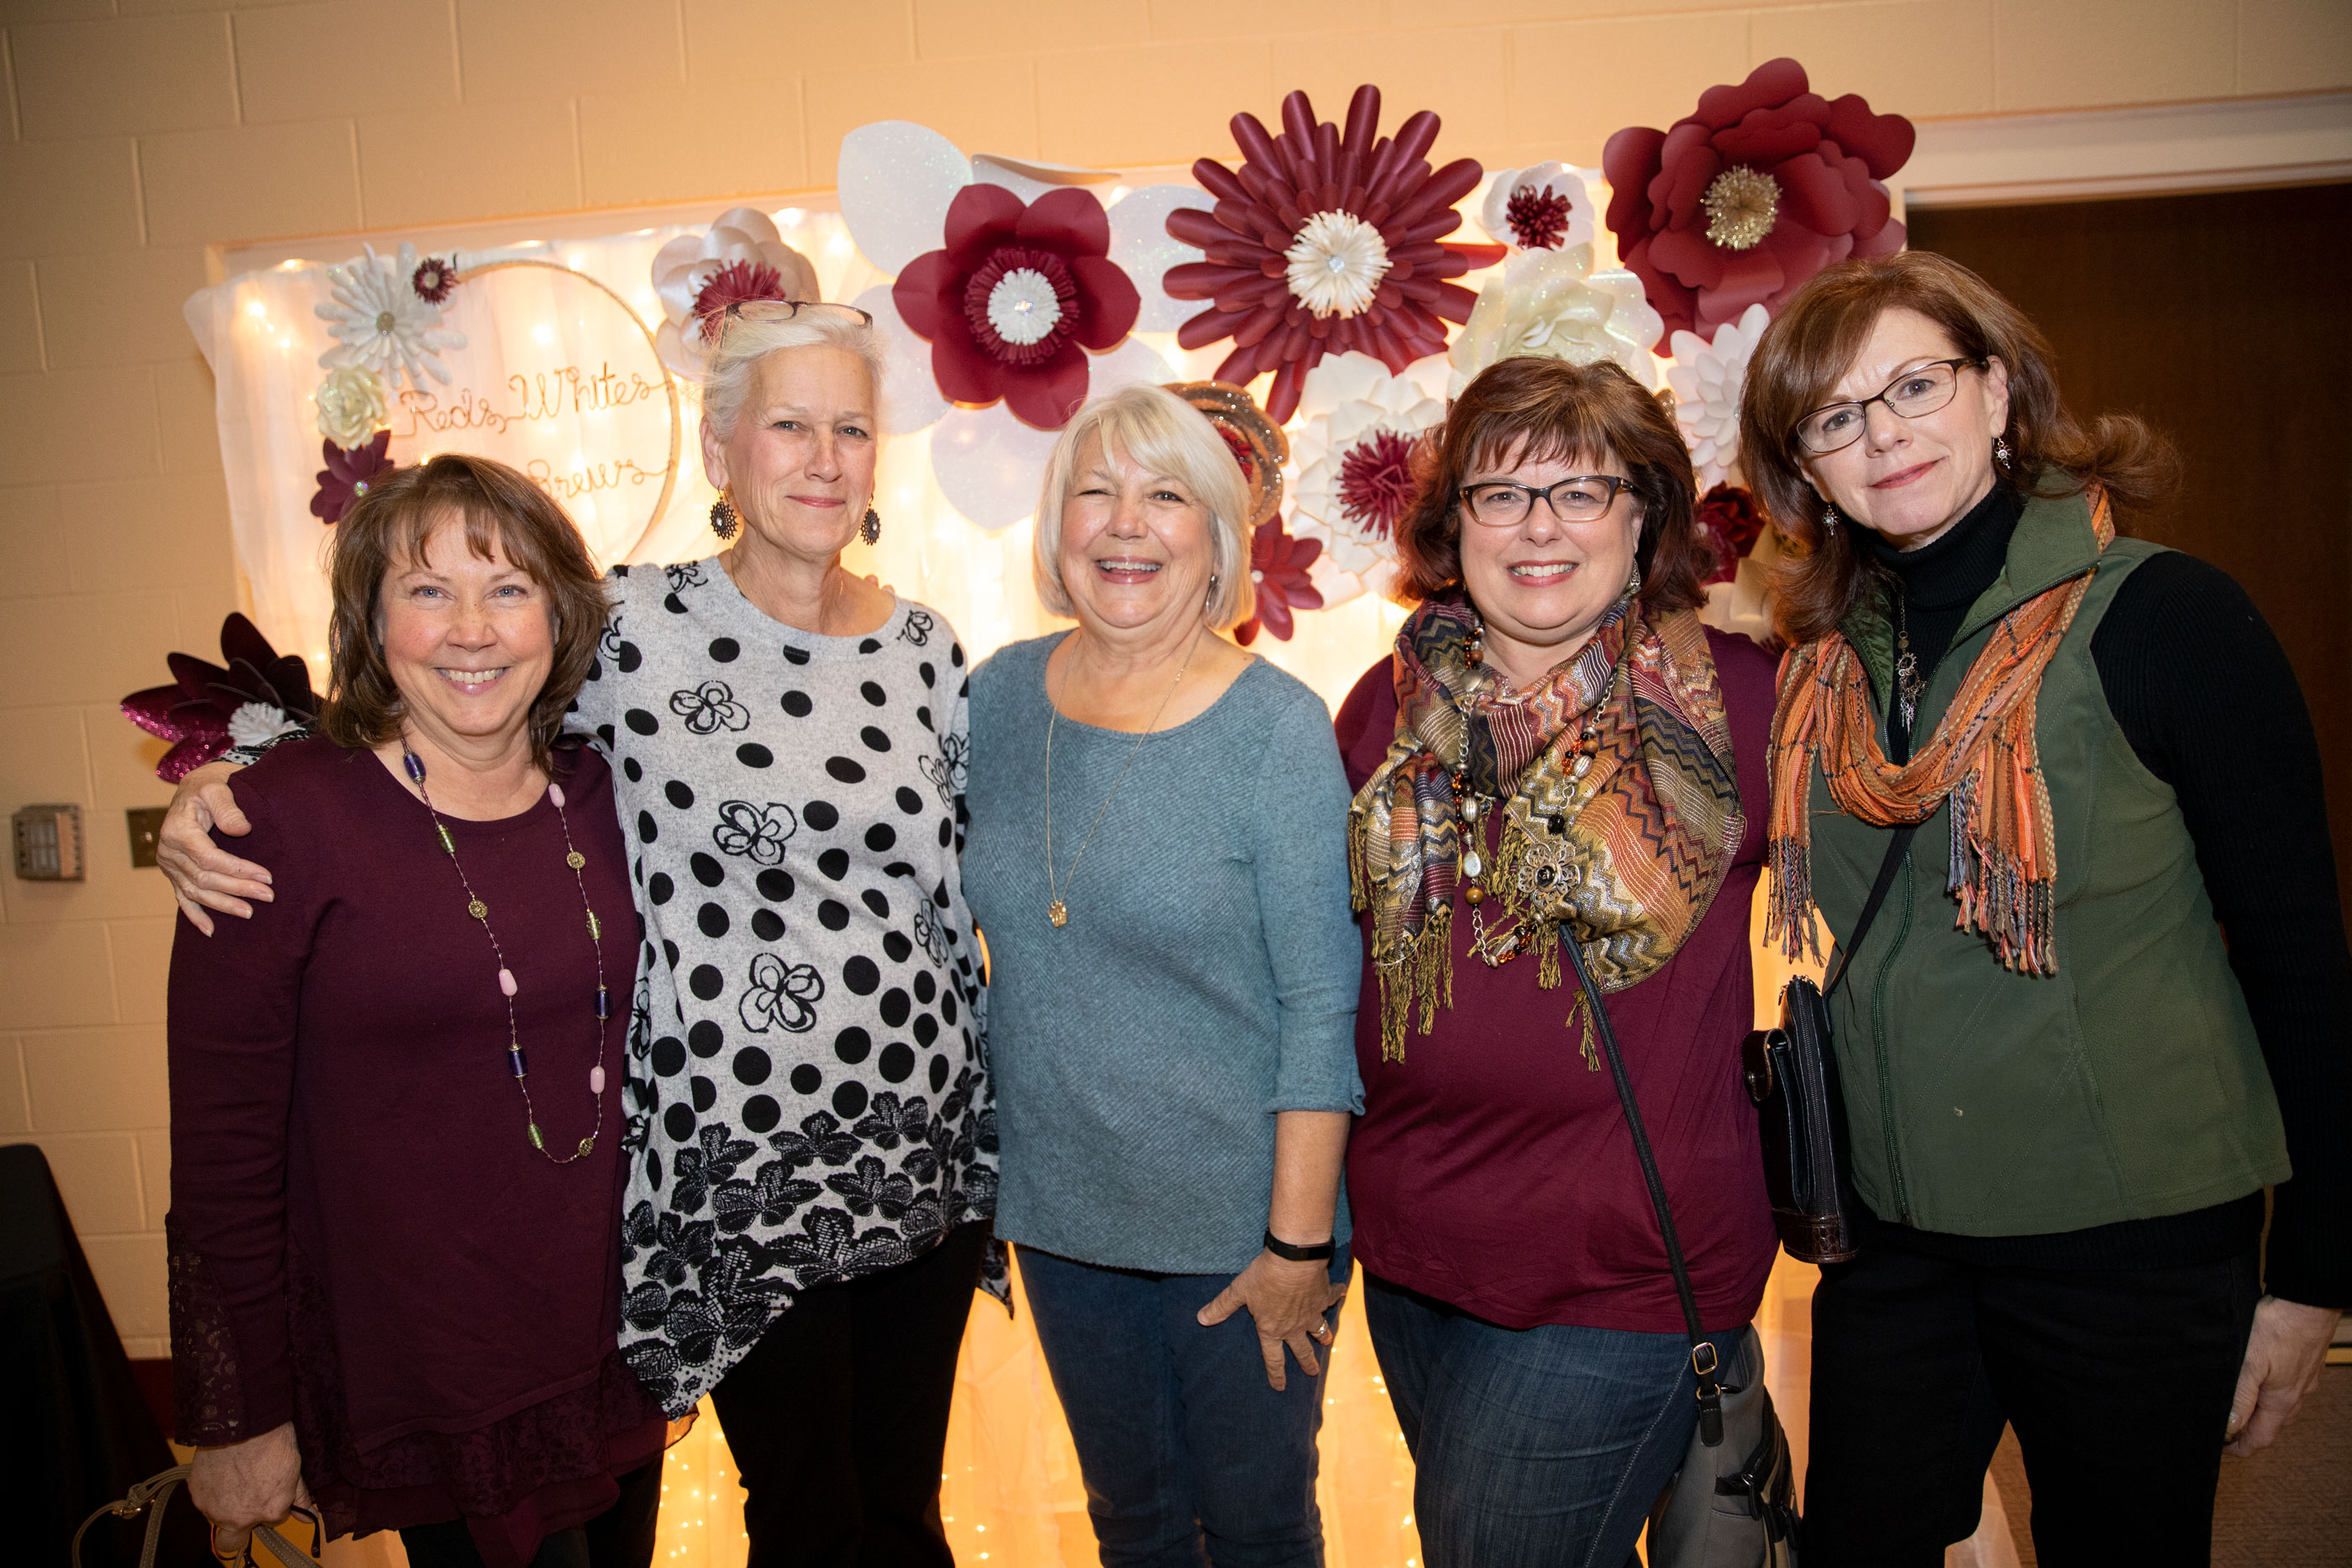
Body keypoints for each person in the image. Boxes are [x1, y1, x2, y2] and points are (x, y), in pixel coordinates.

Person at [160, 303, 1000, 1568]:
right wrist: (223, 780)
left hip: (922, 1151)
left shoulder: (927, 648)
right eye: (789, 425)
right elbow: (434, 696)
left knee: (904, 1514)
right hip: (739, 1170)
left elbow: (953, 883)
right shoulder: (632, 627)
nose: (824, 459)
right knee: (813, 1521)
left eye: (851, 429)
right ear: (719, 450)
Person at [1740, 249, 2350, 1566]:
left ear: (1999, 391)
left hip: (2128, 1240)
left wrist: (2315, 1278)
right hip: (1897, 1236)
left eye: (1915, 386)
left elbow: (2303, 964)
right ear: (1806, 471)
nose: (1883, 434)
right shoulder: (1823, 666)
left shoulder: (2170, 618)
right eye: (1835, 417)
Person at [166, 454, 667, 1568]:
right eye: (428, 590)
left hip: (612, 1345)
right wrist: (237, 1415)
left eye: (508, 588)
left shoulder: (611, 794)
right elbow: (220, 1153)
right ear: (372, 622)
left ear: (561, 616)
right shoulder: (275, 826)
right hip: (434, 1375)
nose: (471, 631)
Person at [1332, 355, 1777, 1567]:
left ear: (1645, 518)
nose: (1540, 528)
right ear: (1455, 525)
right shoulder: (1387, 704)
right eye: (1502, 494)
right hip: (1414, 1244)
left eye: (1581, 492)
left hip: (1622, 1261)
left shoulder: (1741, 701)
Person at [963, 382, 1363, 1567]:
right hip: (1062, 1220)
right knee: (1131, 1530)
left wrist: (1297, 1249)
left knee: (1255, 1532)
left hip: (1242, 1231)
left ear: (1220, 540)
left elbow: (1321, 1004)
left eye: (1167, 496)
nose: (1126, 524)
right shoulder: (995, 698)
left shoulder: (1277, 730)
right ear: (1057, 529)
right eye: (1096, 492)